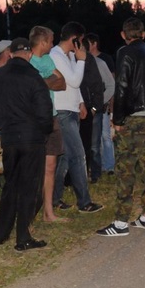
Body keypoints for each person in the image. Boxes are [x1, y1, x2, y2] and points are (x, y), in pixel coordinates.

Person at [96, 17, 145, 237]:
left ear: (123, 35)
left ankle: (120, 223)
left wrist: (117, 121)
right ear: (143, 34)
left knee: (125, 168)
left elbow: (122, 87)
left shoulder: (124, 52)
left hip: (134, 118)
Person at [0, 38, 52, 251]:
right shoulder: (34, 77)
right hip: (32, 139)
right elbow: (44, 111)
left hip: (10, 138)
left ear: (11, 53)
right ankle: (23, 237)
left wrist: (3, 125)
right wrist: (43, 131)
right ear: (30, 54)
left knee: (11, 183)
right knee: (29, 186)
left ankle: (0, 234)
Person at [49, 22, 102, 214]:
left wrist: (80, 103)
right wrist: (81, 61)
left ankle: (54, 198)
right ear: (74, 40)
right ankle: (84, 202)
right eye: (80, 41)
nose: (82, 45)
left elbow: (75, 85)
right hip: (62, 112)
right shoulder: (55, 56)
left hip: (71, 110)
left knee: (64, 159)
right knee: (78, 155)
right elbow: (73, 79)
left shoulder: (69, 55)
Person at [26, 26, 67, 223]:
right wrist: (47, 82)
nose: (52, 44)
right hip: (33, 120)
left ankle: (48, 213)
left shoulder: (47, 60)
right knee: (33, 168)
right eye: (50, 41)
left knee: (50, 167)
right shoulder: (26, 60)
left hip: (52, 117)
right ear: (42, 42)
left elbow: (63, 82)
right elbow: (28, 88)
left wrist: (42, 83)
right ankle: (29, 212)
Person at [84, 33, 116, 182]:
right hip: (82, 110)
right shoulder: (73, 64)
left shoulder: (100, 63)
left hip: (98, 109)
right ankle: (86, 171)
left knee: (100, 140)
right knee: (86, 142)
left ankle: (104, 169)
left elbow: (110, 85)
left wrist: (99, 104)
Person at [78, 34, 107, 184]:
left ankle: (95, 175)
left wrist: (96, 107)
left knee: (93, 145)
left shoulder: (92, 61)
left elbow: (99, 85)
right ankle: (81, 175)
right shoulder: (69, 60)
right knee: (80, 146)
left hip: (91, 109)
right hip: (76, 110)